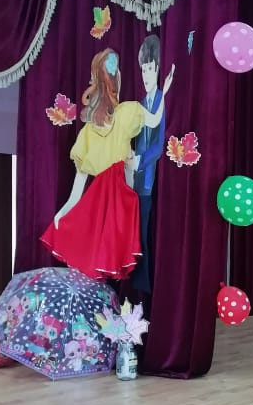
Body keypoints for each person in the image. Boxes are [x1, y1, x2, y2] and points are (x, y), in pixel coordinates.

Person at [40, 47, 173, 280]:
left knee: (96, 256)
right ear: (116, 81)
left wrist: (61, 214)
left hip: (99, 202)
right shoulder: (128, 112)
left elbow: (76, 192)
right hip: (119, 197)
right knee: (117, 247)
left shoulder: (87, 133)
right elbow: (154, 121)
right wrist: (165, 92)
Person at [130, 34, 166, 292]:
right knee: (133, 233)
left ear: (158, 69)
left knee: (143, 233)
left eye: (150, 69)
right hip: (133, 180)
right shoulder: (141, 104)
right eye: (143, 69)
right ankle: (134, 282)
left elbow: (159, 144)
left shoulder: (162, 99)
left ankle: (143, 286)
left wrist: (140, 162)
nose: (146, 75)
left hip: (148, 180)